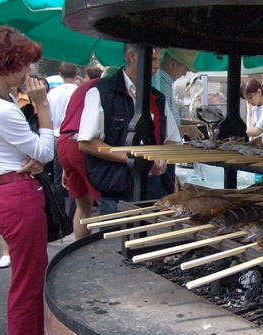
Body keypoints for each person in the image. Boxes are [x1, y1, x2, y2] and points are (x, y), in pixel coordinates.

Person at [0, 25, 64, 335]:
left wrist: (37, 158)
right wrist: (42, 107)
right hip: (19, 196)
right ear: (8, 64)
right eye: (24, 65)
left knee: (28, 277)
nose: (28, 73)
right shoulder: (2, 108)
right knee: (27, 282)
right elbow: (44, 151)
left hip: (9, 190)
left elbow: (33, 154)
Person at [78, 45, 182, 215]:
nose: (157, 65)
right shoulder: (103, 93)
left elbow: (171, 138)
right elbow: (86, 143)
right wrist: (133, 159)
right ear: (133, 57)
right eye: (153, 59)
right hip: (117, 188)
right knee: (117, 239)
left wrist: (161, 158)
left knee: (153, 240)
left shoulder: (157, 97)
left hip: (155, 188)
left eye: (159, 60)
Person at [57, 77, 101, 239]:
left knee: (82, 206)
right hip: (82, 143)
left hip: (64, 143)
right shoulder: (105, 87)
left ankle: (79, 246)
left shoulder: (82, 87)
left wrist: (65, 164)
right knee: (107, 202)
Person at [47, 63, 80, 216]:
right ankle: (73, 214)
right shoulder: (79, 91)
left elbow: (48, 116)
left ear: (61, 74)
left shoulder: (52, 93)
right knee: (75, 178)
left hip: (55, 135)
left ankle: (60, 215)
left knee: (58, 177)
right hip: (74, 137)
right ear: (77, 72)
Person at [152, 48, 204, 141]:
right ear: (173, 64)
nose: (184, 74)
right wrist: (187, 130)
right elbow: (159, 127)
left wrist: (185, 123)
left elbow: (167, 120)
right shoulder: (158, 85)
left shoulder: (164, 83)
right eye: (185, 69)